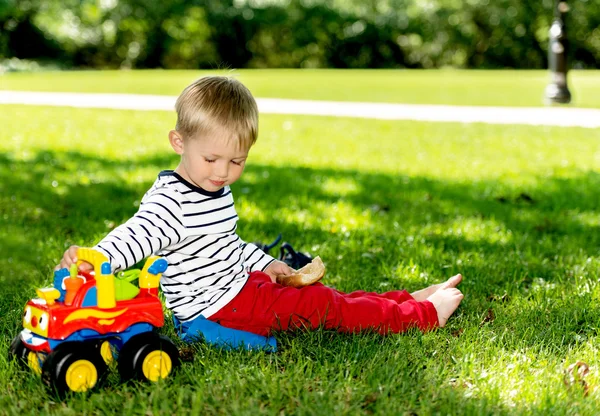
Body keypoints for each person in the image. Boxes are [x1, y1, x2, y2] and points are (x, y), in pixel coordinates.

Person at [57, 76, 463, 345]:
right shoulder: (172, 201)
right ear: (179, 142)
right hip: (219, 306)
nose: (223, 172)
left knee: (322, 296)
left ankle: (402, 301)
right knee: (323, 308)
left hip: (238, 287)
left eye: (237, 162)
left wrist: (267, 262)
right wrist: (99, 257)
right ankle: (421, 317)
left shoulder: (211, 188)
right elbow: (138, 232)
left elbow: (226, 245)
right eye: (213, 159)